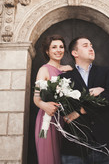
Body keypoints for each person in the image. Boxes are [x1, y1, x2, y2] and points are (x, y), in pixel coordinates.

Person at [60, 36, 109, 164]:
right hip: (75, 149)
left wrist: (80, 111)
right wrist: (101, 94)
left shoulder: (106, 72)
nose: (91, 48)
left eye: (91, 45)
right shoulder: (64, 78)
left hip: (107, 146)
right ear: (75, 53)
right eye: (85, 45)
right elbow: (65, 108)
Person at [34, 34, 72, 164]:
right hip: (47, 119)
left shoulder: (69, 69)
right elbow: (36, 99)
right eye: (54, 47)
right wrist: (45, 106)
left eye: (61, 47)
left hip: (65, 119)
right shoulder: (43, 70)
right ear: (47, 51)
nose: (58, 50)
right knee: (48, 156)